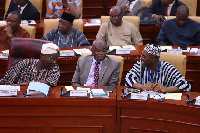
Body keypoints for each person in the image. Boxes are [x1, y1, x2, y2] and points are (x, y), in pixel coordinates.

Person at [125, 44, 191, 93]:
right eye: (142, 55)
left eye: (144, 57)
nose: (141, 58)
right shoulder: (140, 64)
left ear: (153, 59)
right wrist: (142, 87)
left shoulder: (167, 68)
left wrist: (166, 89)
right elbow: (128, 78)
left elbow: (185, 84)